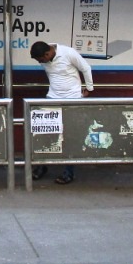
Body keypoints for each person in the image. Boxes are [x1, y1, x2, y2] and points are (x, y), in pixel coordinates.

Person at [29, 40, 94, 185]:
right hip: (52, 98)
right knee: (43, 133)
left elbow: (86, 68)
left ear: (47, 54)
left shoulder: (68, 53)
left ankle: (68, 171)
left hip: (73, 99)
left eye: (41, 60)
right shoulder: (44, 54)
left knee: (69, 136)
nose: (40, 63)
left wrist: (89, 88)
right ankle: (42, 165)